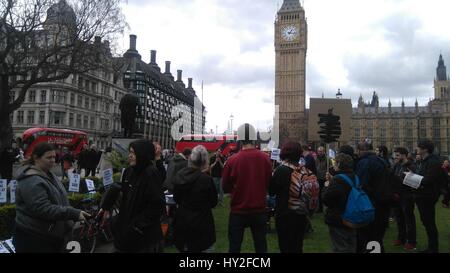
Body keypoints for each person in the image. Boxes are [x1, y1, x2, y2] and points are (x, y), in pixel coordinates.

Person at [12, 143, 90, 253]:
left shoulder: (48, 174)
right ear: (36, 158)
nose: (53, 160)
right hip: (33, 238)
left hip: (48, 236)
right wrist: (72, 213)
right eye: (49, 157)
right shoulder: (31, 180)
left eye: (54, 157)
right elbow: (42, 209)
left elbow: (59, 199)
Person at [101, 139, 165, 252]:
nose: (130, 156)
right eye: (130, 152)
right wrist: (107, 205)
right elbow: (124, 193)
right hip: (126, 232)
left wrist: (137, 226)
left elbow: (157, 206)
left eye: (134, 153)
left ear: (143, 154)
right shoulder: (129, 171)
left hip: (144, 238)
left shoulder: (151, 173)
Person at [222, 123, 272, 253]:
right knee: (261, 247)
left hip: (238, 211)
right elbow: (268, 183)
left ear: (239, 139)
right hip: (259, 210)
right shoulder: (265, 159)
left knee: (234, 248)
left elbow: (225, 186)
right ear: (254, 138)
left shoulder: (232, 160)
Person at [172, 145, 217, 252]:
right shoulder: (206, 180)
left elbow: (176, 198)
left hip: (182, 223)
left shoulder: (180, 175)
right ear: (205, 161)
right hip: (202, 226)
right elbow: (213, 202)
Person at [269, 141, 312, 253]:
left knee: (285, 247)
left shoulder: (281, 170)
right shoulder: (304, 170)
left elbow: (271, 191)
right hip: (301, 214)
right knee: (298, 246)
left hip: (284, 214)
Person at [355, 141, 391, 253]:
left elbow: (361, 185)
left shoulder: (365, 163)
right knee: (377, 238)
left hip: (371, 204)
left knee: (368, 238)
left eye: (358, 151)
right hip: (383, 204)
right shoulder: (382, 161)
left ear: (362, 150)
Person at [322, 153, 357, 253]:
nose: (333, 165)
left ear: (339, 164)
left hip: (339, 218)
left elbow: (326, 199)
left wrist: (326, 186)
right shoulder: (354, 176)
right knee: (351, 245)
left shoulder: (338, 180)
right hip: (352, 216)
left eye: (335, 163)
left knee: (340, 247)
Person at [413, 140, 442, 253]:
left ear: (425, 149)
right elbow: (422, 176)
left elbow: (428, 179)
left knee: (429, 223)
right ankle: (431, 247)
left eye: (419, 147)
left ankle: (433, 248)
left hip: (428, 196)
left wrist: (413, 178)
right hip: (422, 196)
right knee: (426, 222)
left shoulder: (433, 161)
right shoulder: (425, 160)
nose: (417, 148)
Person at [391, 147, 417, 251]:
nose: (395, 157)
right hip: (397, 195)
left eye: (397, 155)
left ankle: (411, 241)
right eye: (395, 155)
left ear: (404, 155)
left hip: (407, 196)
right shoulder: (396, 165)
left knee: (409, 220)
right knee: (399, 218)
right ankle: (401, 238)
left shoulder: (411, 166)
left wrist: (398, 179)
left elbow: (411, 183)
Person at [315, 146, 328, 213]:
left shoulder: (327, 159)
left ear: (324, 152)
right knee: (319, 193)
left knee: (324, 193)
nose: (320, 152)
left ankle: (325, 207)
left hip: (324, 178)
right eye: (319, 151)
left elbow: (329, 168)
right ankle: (320, 208)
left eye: (321, 151)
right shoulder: (316, 158)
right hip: (318, 178)